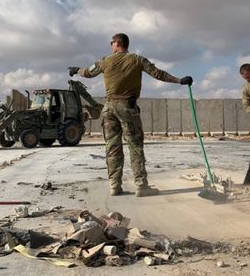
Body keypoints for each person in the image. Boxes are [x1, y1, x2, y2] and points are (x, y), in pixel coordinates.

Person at [69, 33, 193, 197]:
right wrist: (179, 81)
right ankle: (141, 185)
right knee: (135, 147)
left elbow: (88, 72)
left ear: (118, 43)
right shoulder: (137, 60)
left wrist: (76, 70)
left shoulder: (105, 61)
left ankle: (114, 185)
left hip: (109, 109)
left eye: (111, 42)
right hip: (127, 108)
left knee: (112, 148)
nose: (111, 45)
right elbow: (158, 74)